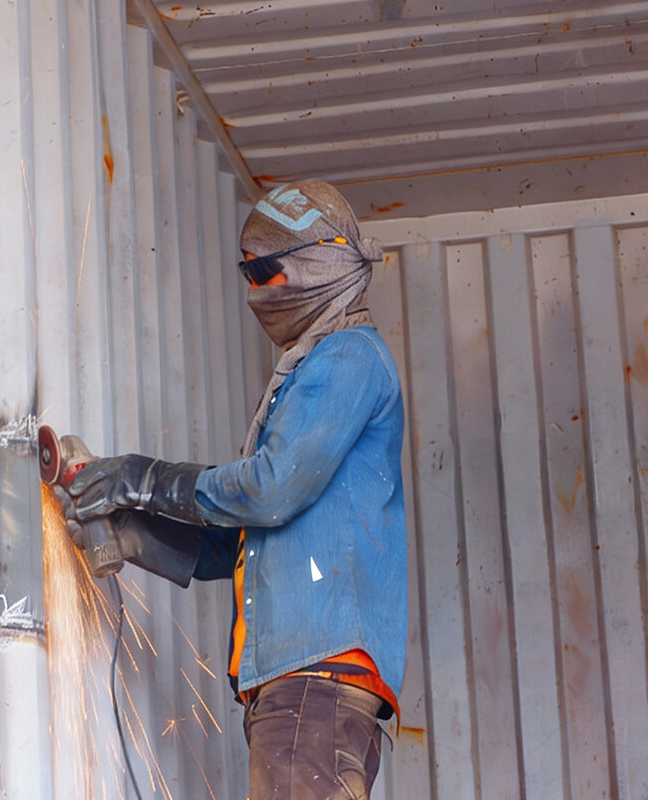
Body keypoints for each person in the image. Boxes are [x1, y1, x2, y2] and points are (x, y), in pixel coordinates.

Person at [60, 178, 407, 800]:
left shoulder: (347, 357)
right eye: (247, 273)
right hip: (299, 689)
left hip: (314, 681)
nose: (255, 291)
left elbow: (267, 490)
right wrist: (131, 530)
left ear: (316, 264)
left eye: (264, 271)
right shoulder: (309, 371)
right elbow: (239, 541)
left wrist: (143, 478)